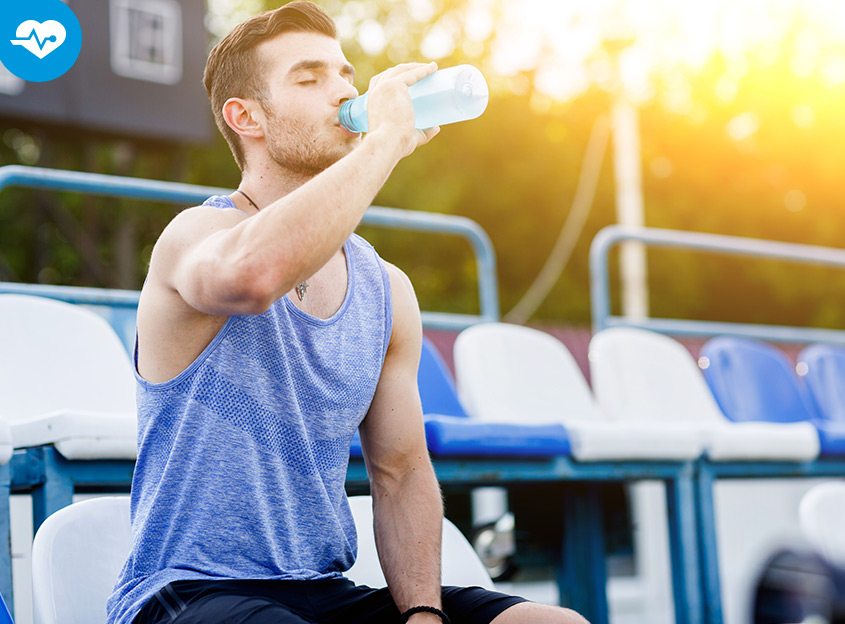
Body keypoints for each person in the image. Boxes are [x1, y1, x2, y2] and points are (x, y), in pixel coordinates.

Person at [106, 2, 588, 623]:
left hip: (324, 592)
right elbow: (255, 276)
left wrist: (423, 614)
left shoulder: (387, 290)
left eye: (343, 74)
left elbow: (401, 470)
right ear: (245, 116)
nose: (341, 91)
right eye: (308, 79)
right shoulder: (195, 235)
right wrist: (385, 141)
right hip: (189, 591)